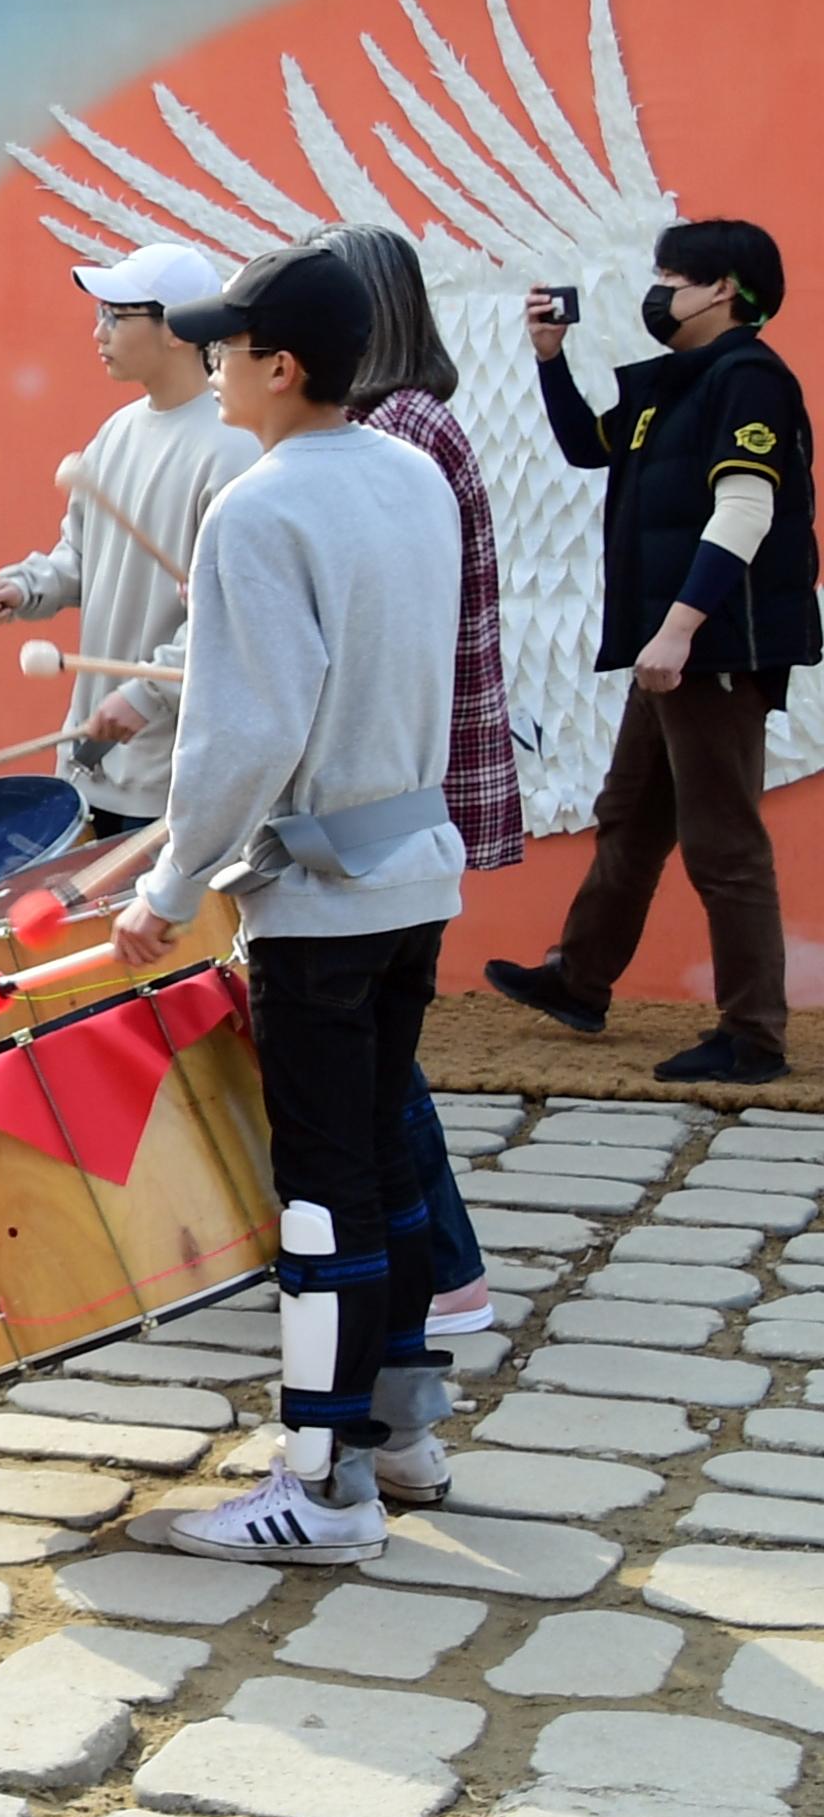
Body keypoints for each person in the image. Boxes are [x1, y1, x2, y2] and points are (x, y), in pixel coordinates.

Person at [112, 241, 467, 1564]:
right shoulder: (414, 475)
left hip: (318, 903)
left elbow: (244, 736)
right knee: (382, 1157)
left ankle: (324, 1490)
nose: (211, 366)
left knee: (322, 1189)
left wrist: (167, 881)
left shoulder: (256, 510)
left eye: (227, 347)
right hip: (414, 876)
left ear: (285, 365)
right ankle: (404, 1434)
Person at [487, 220, 817, 1084]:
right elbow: (585, 447)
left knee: (723, 842)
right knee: (631, 814)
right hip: (668, 648)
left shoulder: (748, 379)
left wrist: (680, 627)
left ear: (723, 289)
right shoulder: (677, 382)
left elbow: (744, 511)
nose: (658, 288)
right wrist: (550, 357)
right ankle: (580, 979)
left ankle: (754, 1037)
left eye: (673, 274)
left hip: (708, 648)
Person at [327, 222, 519, 1352]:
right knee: (368, 1047)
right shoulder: (412, 422)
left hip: (386, 782)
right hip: (401, 777)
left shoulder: (397, 430)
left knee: (368, 1052)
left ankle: (440, 1267)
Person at [0, 242, 260, 834]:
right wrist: (26, 588)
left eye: (116, 314)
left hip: (173, 774)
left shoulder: (233, 446)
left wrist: (148, 697)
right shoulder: (118, 431)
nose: (98, 332)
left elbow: (233, 617)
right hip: (92, 757)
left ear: (176, 328)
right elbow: (81, 557)